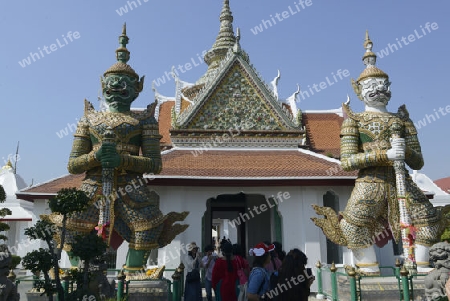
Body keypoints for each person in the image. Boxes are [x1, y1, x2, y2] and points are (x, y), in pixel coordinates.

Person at [46, 24, 189, 275]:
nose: (117, 87)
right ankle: (80, 273)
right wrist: (97, 156)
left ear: (137, 88)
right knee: (68, 226)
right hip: (93, 184)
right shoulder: (89, 120)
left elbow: (155, 163)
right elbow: (73, 164)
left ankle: (133, 271)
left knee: (148, 225)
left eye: (124, 83)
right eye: (112, 82)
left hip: (131, 186)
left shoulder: (144, 120)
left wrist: (123, 159)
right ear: (103, 85)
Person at [311, 31, 449, 274]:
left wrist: (404, 151)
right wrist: (384, 155)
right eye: (372, 86)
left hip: (401, 181)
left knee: (430, 222)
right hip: (370, 181)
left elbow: (418, 162)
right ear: (360, 90)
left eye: (383, 85)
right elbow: (347, 162)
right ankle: (368, 269)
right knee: (352, 228)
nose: (379, 90)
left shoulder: (402, 120)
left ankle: (422, 268)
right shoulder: (354, 121)